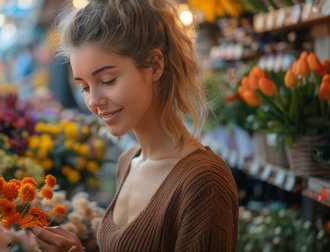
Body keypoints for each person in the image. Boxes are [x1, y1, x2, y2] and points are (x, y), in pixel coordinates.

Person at [30, 0, 239, 251]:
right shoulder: (128, 161)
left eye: (107, 80)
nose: (93, 101)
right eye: (84, 87)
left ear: (154, 65)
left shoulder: (204, 180)